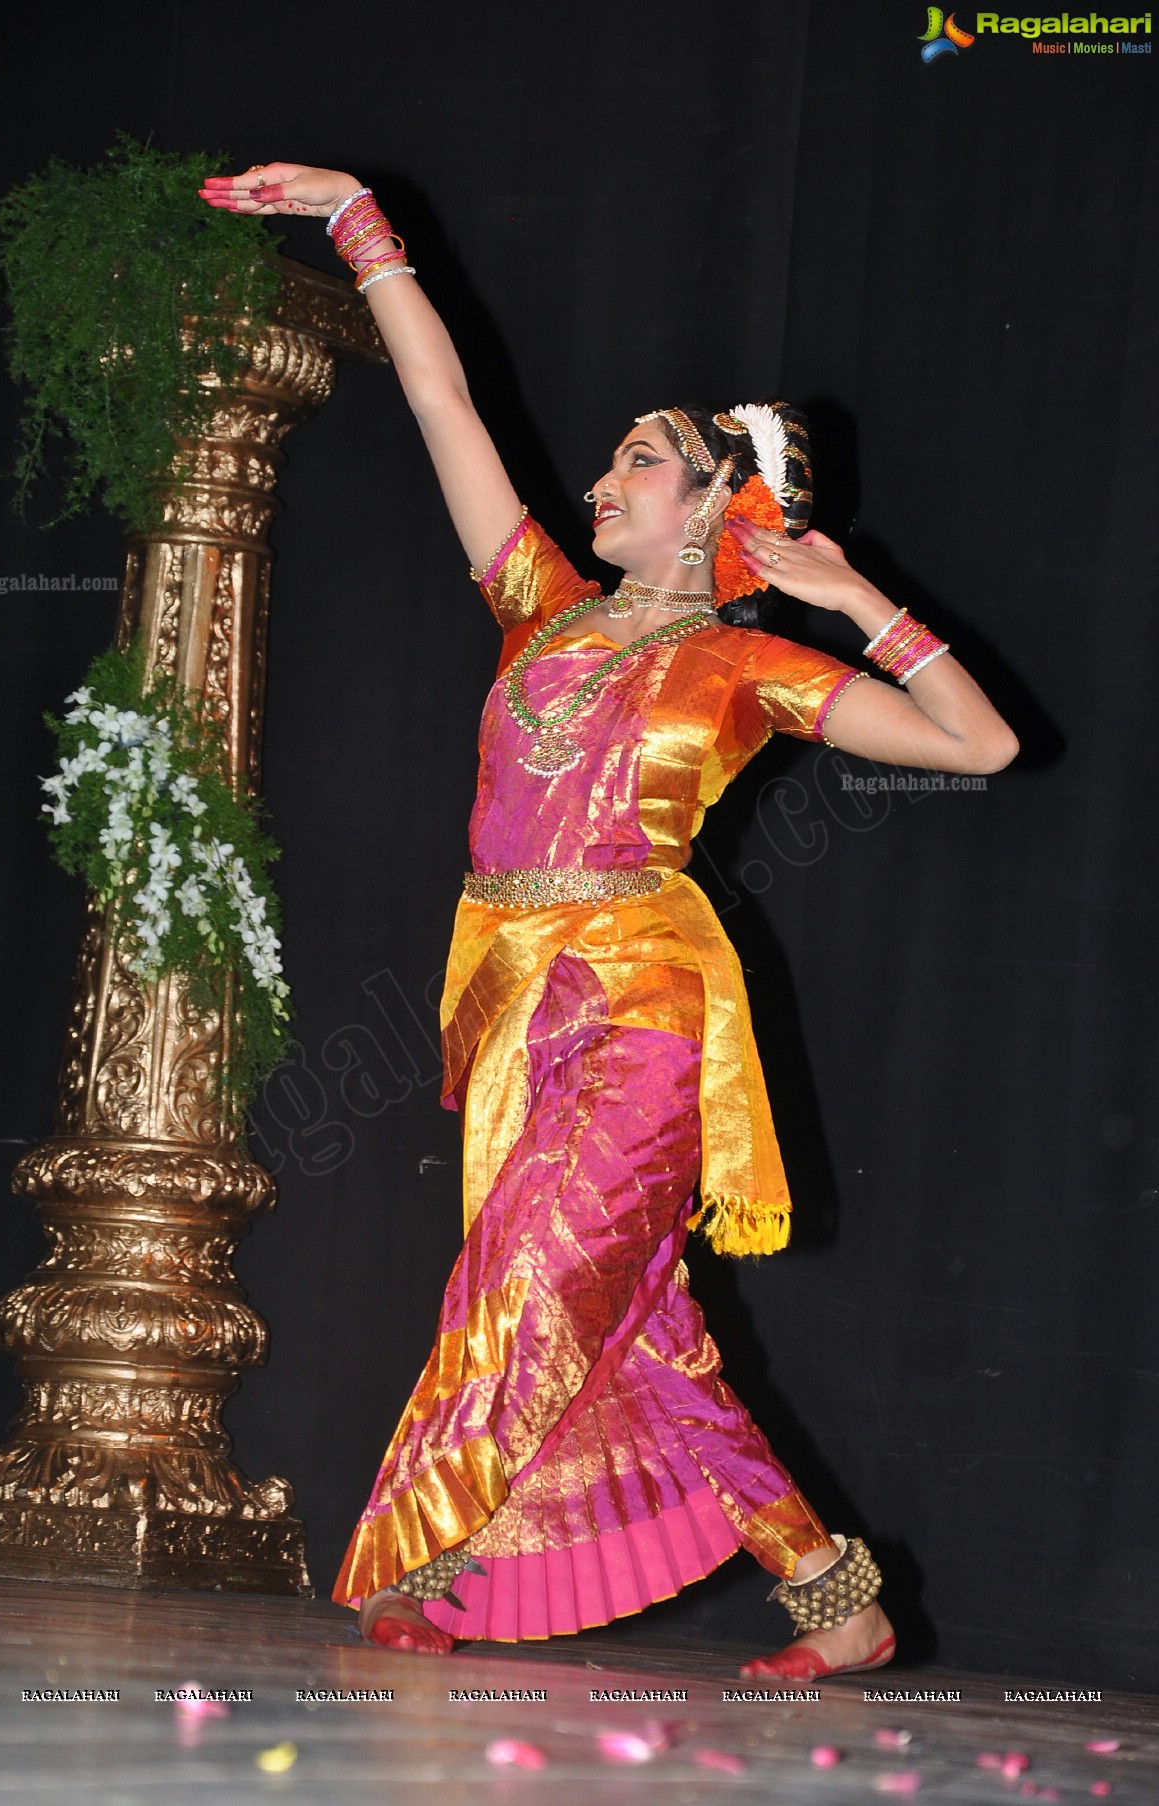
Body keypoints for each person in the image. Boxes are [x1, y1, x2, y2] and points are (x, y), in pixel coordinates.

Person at [202, 164, 1018, 1678]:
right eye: (616, 457)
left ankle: (418, 1564)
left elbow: (980, 743)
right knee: (634, 1322)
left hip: (640, 1000)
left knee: (518, 1280)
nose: (604, 475)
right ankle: (840, 1603)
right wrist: (360, 226)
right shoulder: (539, 603)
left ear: (717, 499)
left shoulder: (745, 667)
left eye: (643, 460)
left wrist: (848, 601)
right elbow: (447, 408)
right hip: (510, 997)